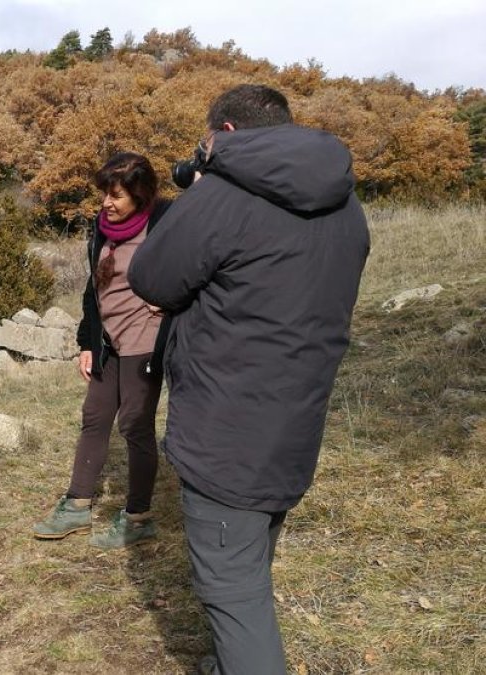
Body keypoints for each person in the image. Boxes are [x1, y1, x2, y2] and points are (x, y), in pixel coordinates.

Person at [128, 85, 370, 674]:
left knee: (235, 595)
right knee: (251, 558)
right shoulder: (346, 203)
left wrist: (204, 188)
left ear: (226, 135)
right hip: (297, 418)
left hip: (227, 426)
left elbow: (153, 278)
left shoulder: (223, 197)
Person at [32, 152, 173, 548]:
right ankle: (77, 506)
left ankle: (139, 517)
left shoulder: (165, 223)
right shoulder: (102, 227)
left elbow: (196, 268)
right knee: (94, 417)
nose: (106, 204)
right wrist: (86, 343)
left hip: (145, 341)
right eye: (104, 195)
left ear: (140, 196)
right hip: (108, 342)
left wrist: (172, 300)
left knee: (134, 424)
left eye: (116, 196)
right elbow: (93, 290)